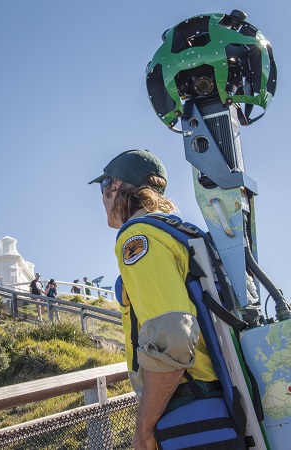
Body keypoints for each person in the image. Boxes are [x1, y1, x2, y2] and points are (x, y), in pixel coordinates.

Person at [89, 149, 218, 449]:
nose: (102, 197)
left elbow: (172, 334)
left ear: (115, 185)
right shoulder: (177, 232)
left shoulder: (137, 236)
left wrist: (144, 429)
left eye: (102, 188)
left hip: (188, 403)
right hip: (214, 397)